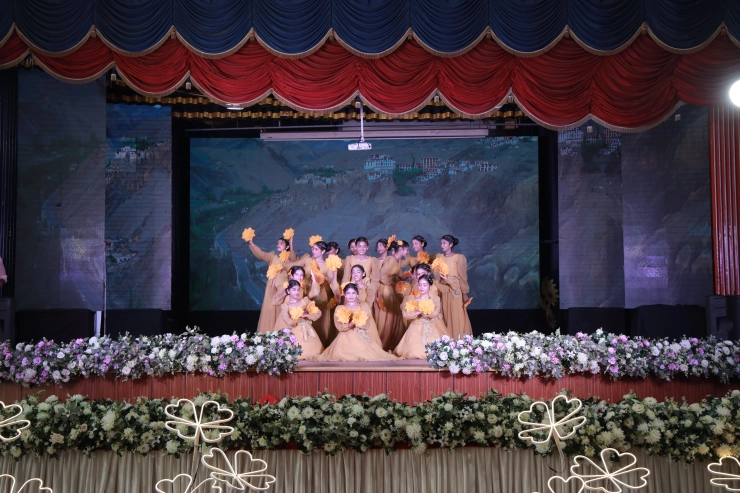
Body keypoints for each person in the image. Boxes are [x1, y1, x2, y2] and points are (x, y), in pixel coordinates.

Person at [312, 284, 398, 362]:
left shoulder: (363, 306)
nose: (351, 295)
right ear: (345, 295)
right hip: (344, 337)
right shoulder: (340, 308)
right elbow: (339, 326)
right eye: (348, 293)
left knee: (367, 354)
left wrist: (357, 324)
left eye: (353, 293)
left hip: (359, 334)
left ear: (357, 294)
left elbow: (367, 324)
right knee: (339, 354)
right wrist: (350, 324)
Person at [287, 240, 340, 346]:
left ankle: (321, 344)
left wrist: (322, 277)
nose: (313, 251)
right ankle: (305, 343)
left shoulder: (327, 264)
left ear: (323, 251)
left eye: (316, 249)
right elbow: (294, 267)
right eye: (313, 248)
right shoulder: (307, 260)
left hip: (320, 295)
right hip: (305, 292)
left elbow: (331, 280)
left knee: (318, 318)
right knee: (303, 315)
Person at [248, 236, 296, 334]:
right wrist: (252, 244)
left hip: (283, 289)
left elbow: (294, 262)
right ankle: (268, 335)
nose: (278, 245)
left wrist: (291, 243)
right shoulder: (273, 256)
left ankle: (279, 337)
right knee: (270, 308)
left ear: (287, 247)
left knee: (280, 310)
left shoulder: (290, 261)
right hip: (272, 288)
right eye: (277, 243)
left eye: (281, 243)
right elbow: (262, 254)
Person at [394, 275, 446, 359]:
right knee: (413, 351)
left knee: (435, 350)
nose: (422, 287)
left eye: (425, 285)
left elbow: (435, 313)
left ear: (430, 287)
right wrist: (417, 312)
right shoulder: (412, 299)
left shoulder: (435, 299)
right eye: (420, 285)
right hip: (415, 327)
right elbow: (406, 315)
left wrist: (424, 312)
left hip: (431, 327)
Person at [274, 280, 324, 359]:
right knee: (293, 351)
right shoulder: (285, 306)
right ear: (288, 291)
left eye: (298, 290)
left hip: (306, 329)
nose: (297, 292)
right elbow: (288, 321)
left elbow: (318, 313)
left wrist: (308, 315)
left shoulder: (305, 301)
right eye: (294, 290)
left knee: (314, 351)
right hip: (293, 330)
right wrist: (299, 317)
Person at [435, 235, 472, 338]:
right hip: (443, 291)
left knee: (456, 315)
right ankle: (446, 340)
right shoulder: (440, 257)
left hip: (455, 291)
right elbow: (436, 276)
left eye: (444, 243)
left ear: (451, 244)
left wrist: (464, 293)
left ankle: (457, 339)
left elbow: (462, 277)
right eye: (441, 243)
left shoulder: (458, 258)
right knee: (444, 314)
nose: (442, 245)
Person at [375, 240, 406, 350]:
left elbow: (396, 275)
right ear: (401, 250)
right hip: (385, 289)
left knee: (392, 316)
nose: (407, 252)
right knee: (386, 316)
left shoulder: (397, 260)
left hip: (391, 289)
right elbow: (382, 274)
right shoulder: (391, 259)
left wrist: (407, 277)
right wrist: (391, 283)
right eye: (406, 249)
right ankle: (382, 343)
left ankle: (390, 342)